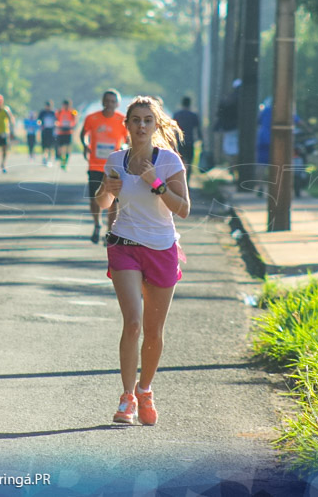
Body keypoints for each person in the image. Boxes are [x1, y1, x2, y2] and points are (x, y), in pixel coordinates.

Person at [94, 95, 190, 426]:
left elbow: (184, 209)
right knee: (133, 323)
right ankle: (127, 398)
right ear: (127, 124)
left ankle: (145, 388)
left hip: (162, 248)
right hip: (124, 244)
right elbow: (104, 203)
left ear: (156, 125)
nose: (141, 126)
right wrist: (107, 188)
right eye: (135, 120)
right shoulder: (115, 159)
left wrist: (158, 185)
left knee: (153, 330)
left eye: (147, 120)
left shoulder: (169, 162)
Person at [80, 89, 129, 244]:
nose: (109, 104)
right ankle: (96, 224)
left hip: (114, 167)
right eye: (107, 101)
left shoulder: (123, 120)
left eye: (113, 102)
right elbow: (83, 134)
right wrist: (86, 145)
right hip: (95, 164)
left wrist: (124, 149)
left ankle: (110, 232)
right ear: (102, 102)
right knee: (95, 197)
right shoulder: (92, 118)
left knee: (113, 200)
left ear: (117, 104)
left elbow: (128, 139)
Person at [172, 96, 202, 185]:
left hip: (179, 142)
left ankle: (180, 180)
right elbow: (198, 129)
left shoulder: (177, 115)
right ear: (190, 104)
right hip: (190, 141)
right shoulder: (193, 115)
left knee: (180, 161)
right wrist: (201, 139)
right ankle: (187, 181)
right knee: (189, 162)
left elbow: (173, 129)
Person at [55, 99, 78, 169]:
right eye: (65, 105)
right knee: (61, 149)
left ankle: (65, 162)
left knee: (68, 149)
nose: (66, 107)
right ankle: (62, 160)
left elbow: (75, 120)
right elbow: (55, 120)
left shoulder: (73, 112)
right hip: (61, 132)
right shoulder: (59, 112)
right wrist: (57, 126)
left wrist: (72, 126)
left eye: (68, 105)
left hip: (68, 132)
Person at [37, 100, 57, 166]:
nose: (48, 107)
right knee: (44, 146)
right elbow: (38, 120)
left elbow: (57, 120)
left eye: (49, 106)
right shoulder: (42, 112)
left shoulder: (53, 113)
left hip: (51, 131)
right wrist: (40, 125)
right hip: (44, 130)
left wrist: (56, 126)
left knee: (50, 146)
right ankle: (44, 158)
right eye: (47, 106)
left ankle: (49, 159)